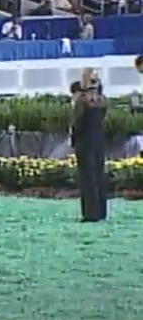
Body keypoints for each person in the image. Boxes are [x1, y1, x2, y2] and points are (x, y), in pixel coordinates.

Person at [71, 68, 108, 222]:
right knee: (99, 176)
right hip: (99, 141)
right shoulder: (102, 100)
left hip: (84, 143)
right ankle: (100, 211)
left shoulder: (82, 101)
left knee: (87, 178)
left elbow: (77, 123)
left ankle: (90, 213)